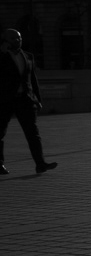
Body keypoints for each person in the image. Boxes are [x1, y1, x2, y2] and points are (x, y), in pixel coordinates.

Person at [0, 28, 57, 176]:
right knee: (0, 133)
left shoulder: (28, 56)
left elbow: (32, 80)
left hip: (25, 100)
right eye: (13, 38)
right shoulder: (2, 56)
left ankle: (40, 164)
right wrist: (2, 52)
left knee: (33, 133)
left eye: (19, 38)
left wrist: (37, 99)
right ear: (5, 40)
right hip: (5, 100)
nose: (17, 41)